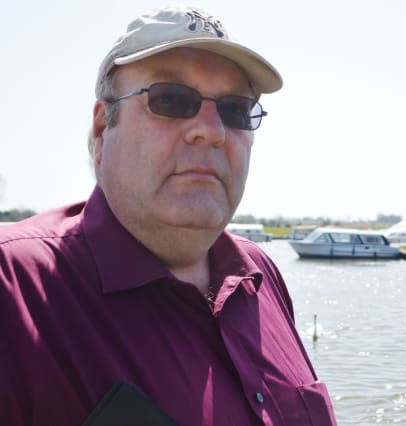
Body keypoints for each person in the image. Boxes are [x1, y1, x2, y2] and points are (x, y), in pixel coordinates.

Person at [0, 5, 336, 425]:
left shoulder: (260, 275)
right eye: (172, 100)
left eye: (235, 110)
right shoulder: (14, 288)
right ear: (104, 128)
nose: (212, 131)